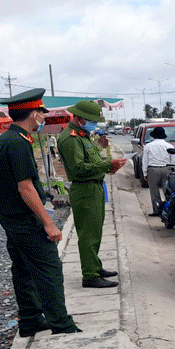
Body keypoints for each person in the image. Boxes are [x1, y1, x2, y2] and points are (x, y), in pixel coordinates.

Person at [0, 88, 80, 336]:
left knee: (22, 270)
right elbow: (25, 187)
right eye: (41, 112)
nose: (43, 117)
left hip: (10, 219)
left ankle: (30, 320)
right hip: (24, 220)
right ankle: (62, 325)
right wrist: (48, 224)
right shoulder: (18, 143)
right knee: (49, 270)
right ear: (33, 114)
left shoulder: (4, 140)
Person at [57, 100, 127, 288]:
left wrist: (109, 168)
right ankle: (89, 275)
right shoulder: (71, 138)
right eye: (91, 120)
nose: (94, 124)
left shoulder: (83, 135)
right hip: (85, 188)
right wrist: (106, 165)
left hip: (94, 186)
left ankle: (95, 266)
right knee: (88, 233)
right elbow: (78, 168)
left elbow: (92, 160)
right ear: (78, 118)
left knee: (95, 231)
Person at [142, 126, 175, 216]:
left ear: (153, 136)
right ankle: (169, 210)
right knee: (168, 191)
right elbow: (174, 161)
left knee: (154, 192)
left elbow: (145, 160)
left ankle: (157, 211)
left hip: (153, 170)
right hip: (167, 170)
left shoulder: (148, 146)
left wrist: (145, 173)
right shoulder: (169, 146)